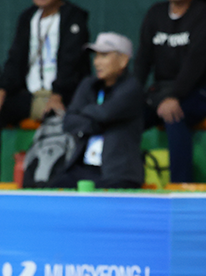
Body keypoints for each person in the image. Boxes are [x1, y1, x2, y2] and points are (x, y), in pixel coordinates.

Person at [0, 0, 90, 183]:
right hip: (31, 95)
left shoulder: (75, 17)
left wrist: (58, 94)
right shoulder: (27, 18)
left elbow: (71, 61)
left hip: (63, 95)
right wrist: (1, 92)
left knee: (58, 121)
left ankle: (50, 180)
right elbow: (15, 58)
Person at [133, 0, 206, 184]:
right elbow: (143, 59)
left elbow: (196, 63)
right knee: (129, 115)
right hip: (163, 90)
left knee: (174, 114)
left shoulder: (202, 14)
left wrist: (173, 96)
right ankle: (124, 178)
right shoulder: (155, 13)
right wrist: (132, 93)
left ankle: (180, 185)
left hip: (203, 91)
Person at [43, 32, 145, 189]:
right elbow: (69, 121)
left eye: (104, 56)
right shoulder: (88, 84)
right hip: (83, 168)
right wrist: (99, 121)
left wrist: (84, 113)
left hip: (118, 173)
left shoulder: (132, 88)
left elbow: (105, 113)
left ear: (123, 60)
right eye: (96, 56)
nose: (97, 62)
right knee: (56, 187)